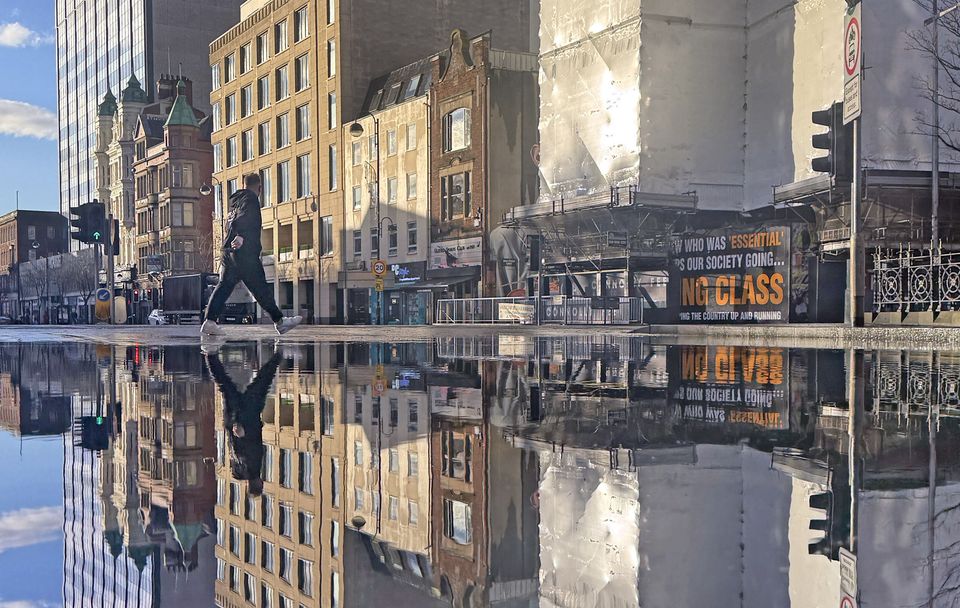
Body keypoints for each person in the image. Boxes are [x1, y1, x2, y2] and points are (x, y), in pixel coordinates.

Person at [201, 173, 301, 336]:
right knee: (260, 288)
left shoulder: (235, 201)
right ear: (260, 188)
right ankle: (280, 322)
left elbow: (233, 220)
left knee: (224, 286)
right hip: (245, 252)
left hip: (228, 251)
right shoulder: (251, 198)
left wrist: (237, 236)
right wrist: (241, 236)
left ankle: (209, 322)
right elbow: (244, 218)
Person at [205, 348, 283, 496]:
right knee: (226, 385)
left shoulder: (251, 467)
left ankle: (279, 353)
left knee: (262, 383)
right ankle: (210, 357)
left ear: (260, 484)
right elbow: (238, 449)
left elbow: (248, 448)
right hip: (237, 420)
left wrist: (241, 431)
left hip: (247, 418)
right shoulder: (241, 469)